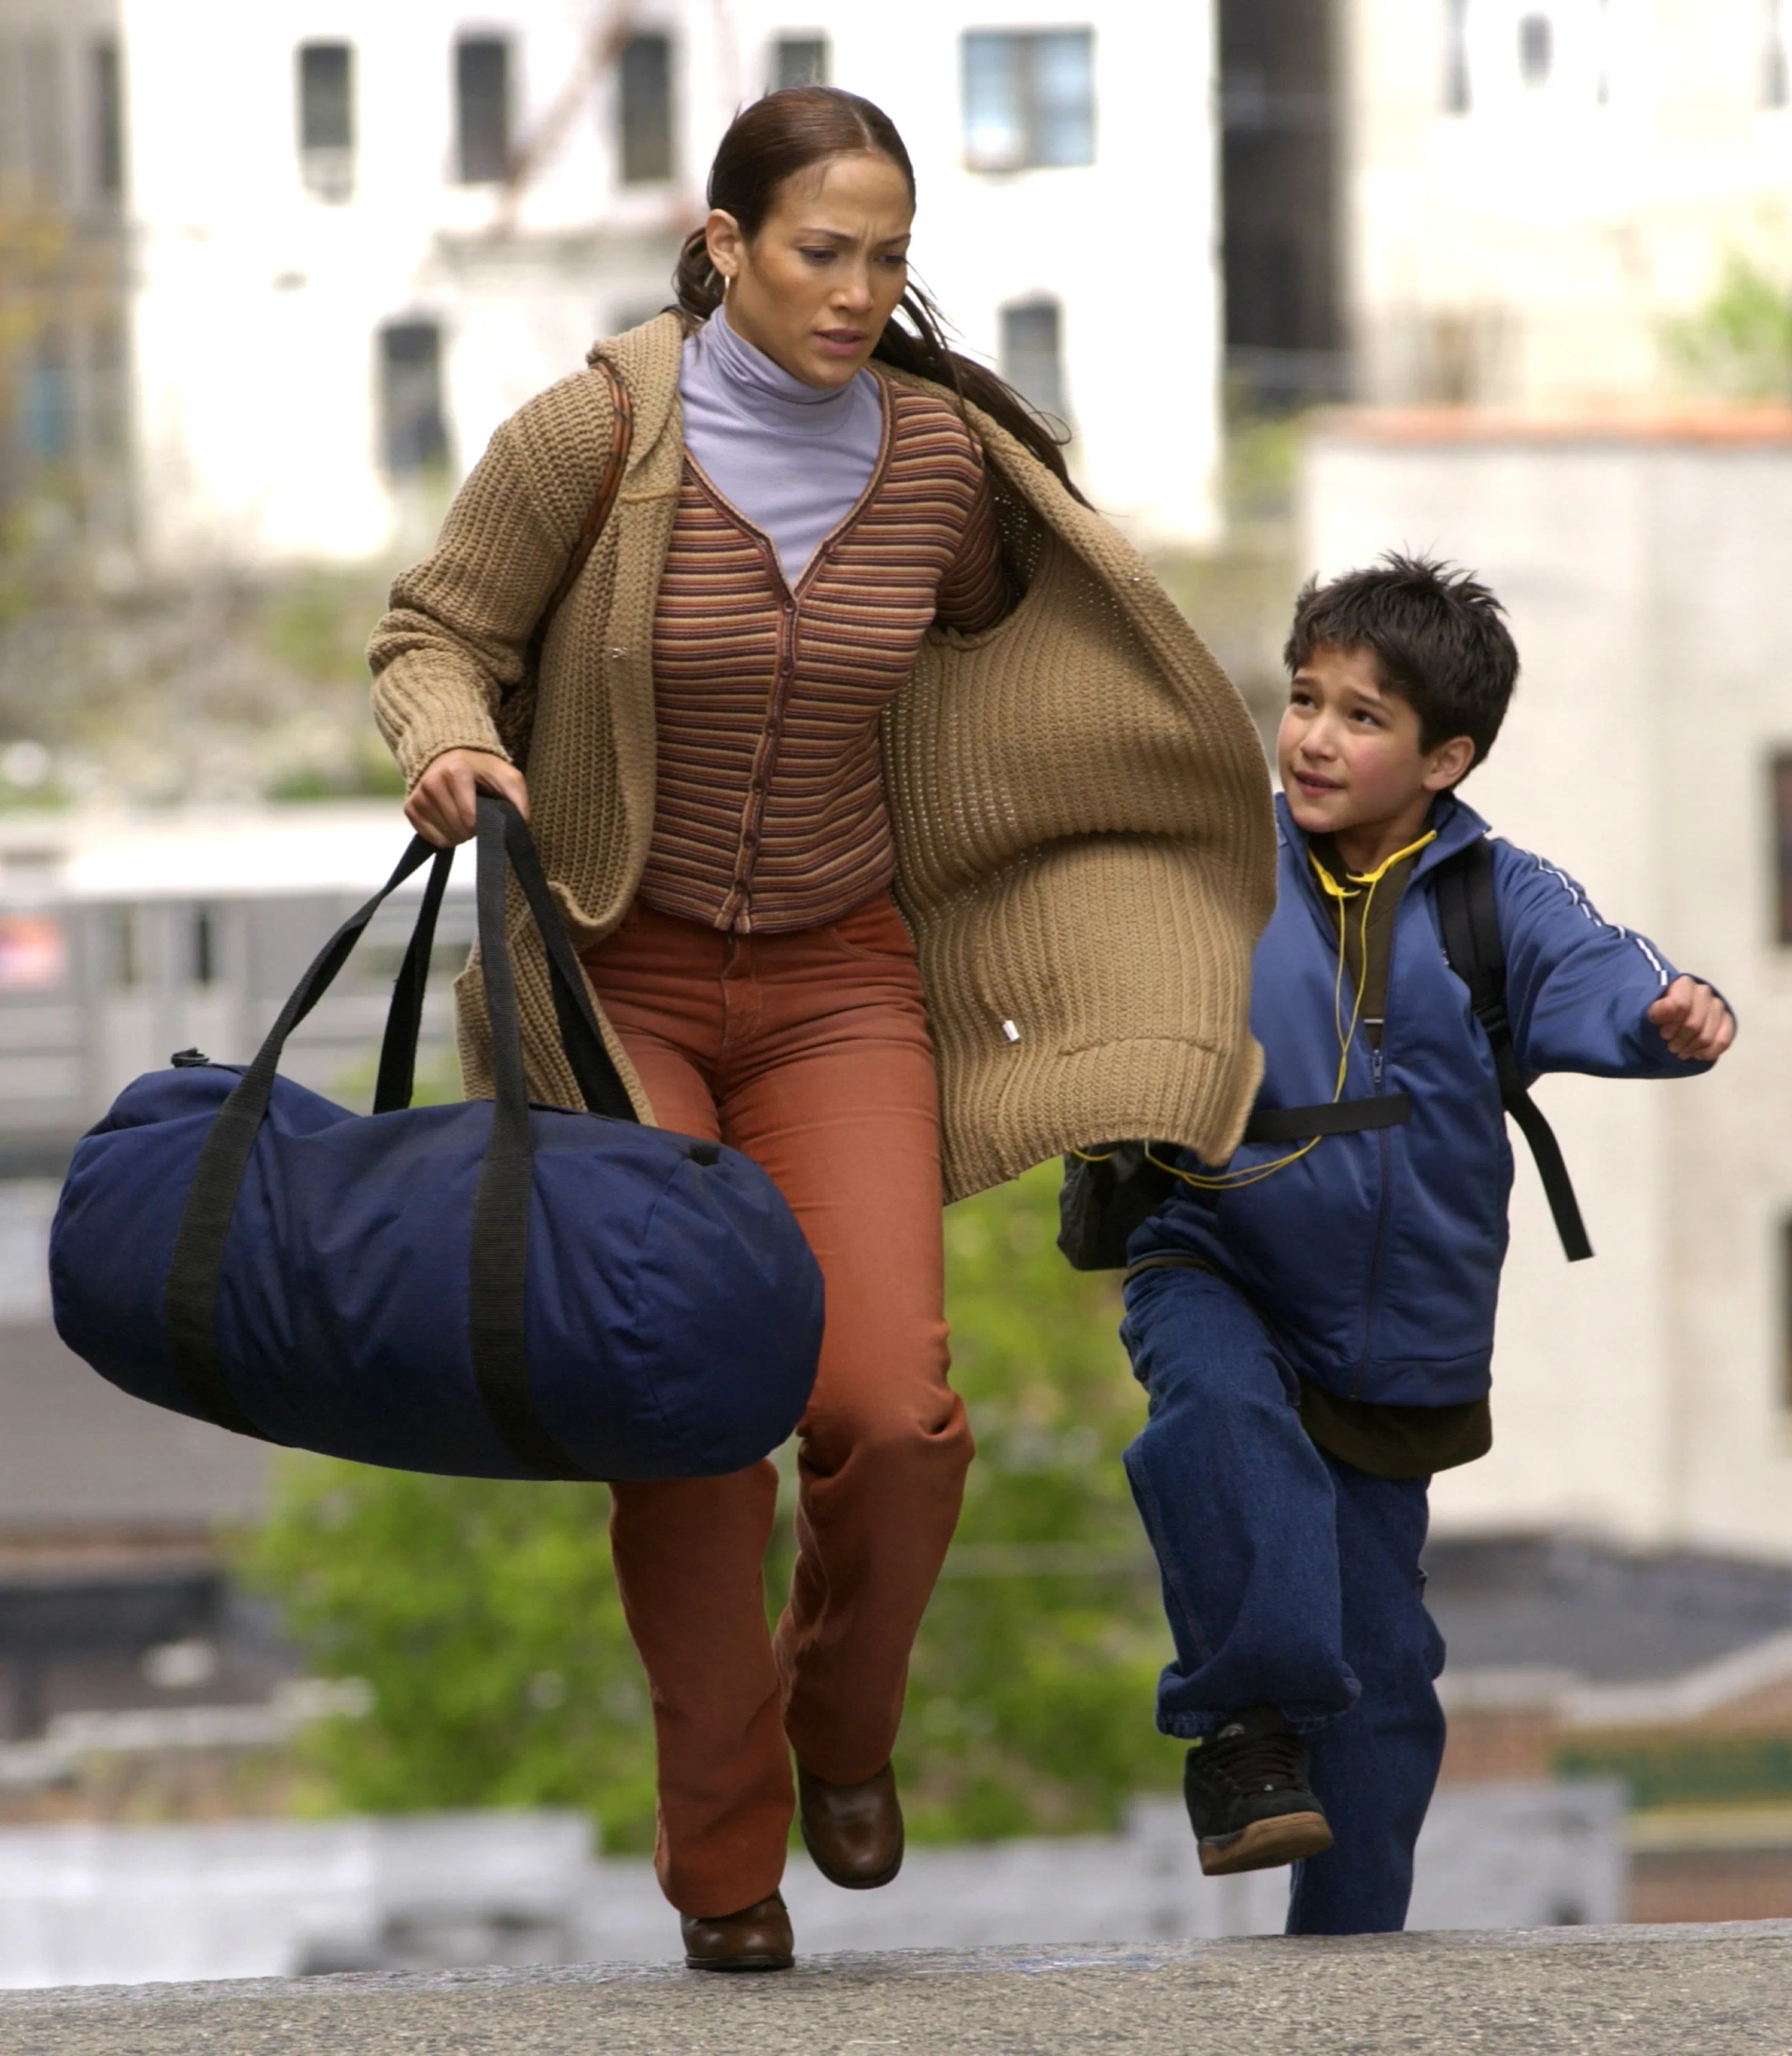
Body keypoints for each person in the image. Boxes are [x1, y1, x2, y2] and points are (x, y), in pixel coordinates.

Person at [368, 87, 1275, 1970]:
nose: (859, 292)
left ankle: (844, 1726)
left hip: (843, 980)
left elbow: (1012, 643)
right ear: (725, 246)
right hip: (622, 981)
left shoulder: (941, 462)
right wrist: (452, 737)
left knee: (891, 1408)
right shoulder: (599, 433)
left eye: (889, 260)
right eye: (819, 252)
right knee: (693, 1424)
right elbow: (434, 629)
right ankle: (724, 1865)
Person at [1107, 554, 1733, 1934]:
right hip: (1212, 1246)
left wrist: (1671, 1013)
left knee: (1386, 1676)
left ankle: (1353, 1963)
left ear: (1445, 757)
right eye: (1304, 699)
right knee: (1217, 1410)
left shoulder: (1491, 897)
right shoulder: (1217, 856)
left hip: (1391, 1337)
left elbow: (1601, 969)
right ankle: (1244, 1728)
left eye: (1365, 717)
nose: (1317, 736)